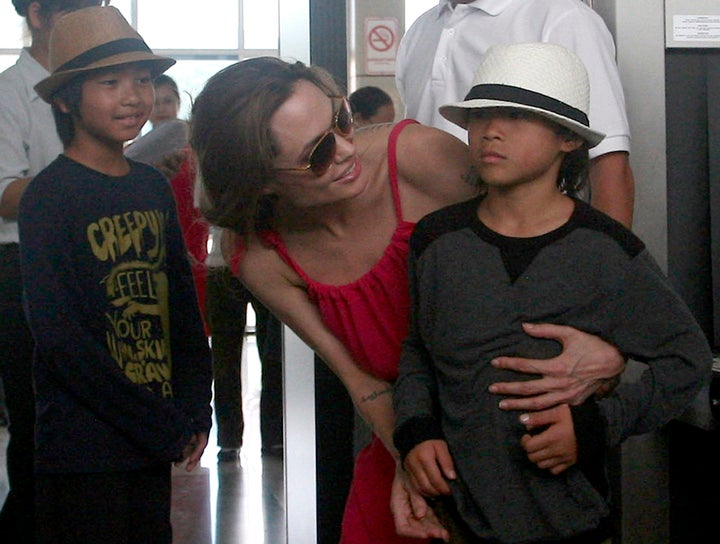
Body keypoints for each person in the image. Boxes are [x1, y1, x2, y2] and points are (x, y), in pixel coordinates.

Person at [189, 56, 626, 544]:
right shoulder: (260, 255)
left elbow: (558, 243)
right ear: (261, 180)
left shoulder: (419, 158)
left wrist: (606, 347)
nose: (347, 150)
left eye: (341, 119)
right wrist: (411, 461)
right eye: (317, 154)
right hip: (410, 443)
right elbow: (362, 383)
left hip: (519, 442)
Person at [392, 42, 712, 543]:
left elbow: (686, 358)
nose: (490, 130)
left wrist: (594, 427)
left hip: (572, 525)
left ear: (566, 137)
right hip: (452, 521)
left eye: (517, 115)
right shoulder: (435, 239)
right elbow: (418, 349)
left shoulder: (608, 251)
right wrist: (414, 429)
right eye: (481, 114)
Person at [18, 6, 212, 542]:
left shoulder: (150, 186)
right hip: (83, 447)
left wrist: (197, 405)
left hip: (151, 440)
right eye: (110, 82)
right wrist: (157, 423)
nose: (133, 96)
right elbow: (61, 339)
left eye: (143, 81)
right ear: (65, 99)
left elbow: (180, 303)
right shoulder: (49, 196)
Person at [0, 0, 106, 538]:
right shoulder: (9, 92)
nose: (94, 18)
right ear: (39, 15)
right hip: (24, 265)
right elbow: (3, 192)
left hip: (91, 261)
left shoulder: (90, 89)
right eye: (82, 8)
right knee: (39, 420)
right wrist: (82, 187)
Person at [395, 0, 635, 229]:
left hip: (539, 241)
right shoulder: (421, 29)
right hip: (435, 243)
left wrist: (609, 263)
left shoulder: (562, 17)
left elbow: (608, 162)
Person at [205, 226, 284, 462]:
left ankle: (233, 441)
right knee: (265, 356)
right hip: (249, 263)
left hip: (234, 263)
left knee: (264, 356)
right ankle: (271, 438)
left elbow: (206, 210)